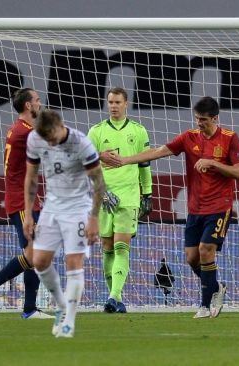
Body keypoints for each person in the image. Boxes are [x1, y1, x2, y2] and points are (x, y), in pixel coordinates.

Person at [114, 96, 239, 318]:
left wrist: (213, 163)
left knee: (206, 250)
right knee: (192, 258)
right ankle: (216, 288)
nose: (199, 123)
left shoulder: (230, 138)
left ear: (215, 118)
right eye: (196, 118)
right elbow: (158, 152)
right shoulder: (189, 137)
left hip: (220, 205)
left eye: (203, 119)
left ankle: (205, 306)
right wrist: (125, 160)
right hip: (195, 208)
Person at [23, 109, 106, 338]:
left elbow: (99, 183)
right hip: (51, 206)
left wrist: (94, 218)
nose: (50, 142)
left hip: (78, 208)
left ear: (61, 126)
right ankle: (61, 304)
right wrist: (28, 214)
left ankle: (69, 321)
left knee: (74, 261)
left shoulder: (82, 143)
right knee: (38, 261)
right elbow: (31, 177)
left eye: (52, 137)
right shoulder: (35, 138)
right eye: (46, 138)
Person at [0, 88, 53, 320]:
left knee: (34, 254)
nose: (40, 104)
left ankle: (29, 309)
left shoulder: (18, 129)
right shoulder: (26, 133)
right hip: (22, 202)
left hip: (25, 199)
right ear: (28, 106)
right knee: (35, 254)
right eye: (37, 101)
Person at [88, 87, 153, 314]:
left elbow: (145, 165)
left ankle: (114, 296)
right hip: (104, 196)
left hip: (128, 197)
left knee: (121, 246)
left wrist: (147, 193)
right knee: (107, 248)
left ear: (126, 104)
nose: (113, 106)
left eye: (118, 102)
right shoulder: (96, 132)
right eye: (110, 102)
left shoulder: (138, 131)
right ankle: (115, 298)